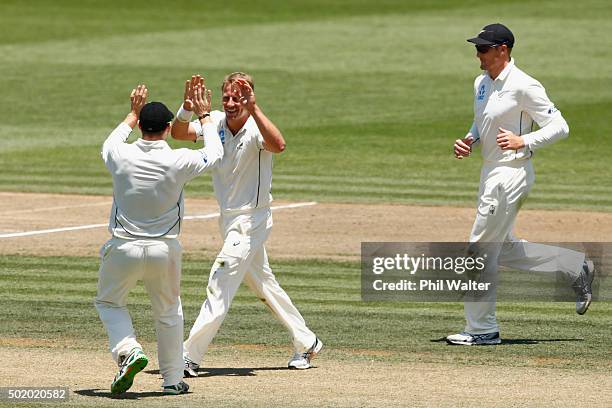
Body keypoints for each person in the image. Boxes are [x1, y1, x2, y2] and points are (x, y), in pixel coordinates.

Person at [447, 23, 595, 346]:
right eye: (477, 48)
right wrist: (470, 139)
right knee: (504, 250)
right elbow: (483, 117)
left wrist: (523, 140)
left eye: (484, 49)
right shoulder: (481, 83)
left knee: (479, 250)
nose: (478, 55)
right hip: (490, 172)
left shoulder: (525, 85)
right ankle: (575, 266)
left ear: (503, 50)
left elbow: (560, 126)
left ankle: (482, 329)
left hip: (511, 174)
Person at [171, 73, 322, 375]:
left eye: (237, 98)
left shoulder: (255, 128)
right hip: (228, 219)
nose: (229, 103)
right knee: (264, 284)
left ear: (248, 99)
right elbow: (178, 132)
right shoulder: (213, 121)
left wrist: (254, 108)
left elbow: (279, 145)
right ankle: (307, 343)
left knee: (220, 281)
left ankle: (187, 356)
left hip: (252, 220)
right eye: (226, 97)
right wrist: (187, 107)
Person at [95, 81, 223, 394]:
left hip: (122, 246)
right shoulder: (178, 160)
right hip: (164, 250)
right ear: (168, 129)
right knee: (168, 312)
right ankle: (172, 380)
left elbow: (108, 143)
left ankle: (128, 351)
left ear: (141, 126)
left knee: (109, 303)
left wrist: (131, 113)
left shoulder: (119, 155)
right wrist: (204, 115)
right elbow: (215, 154)